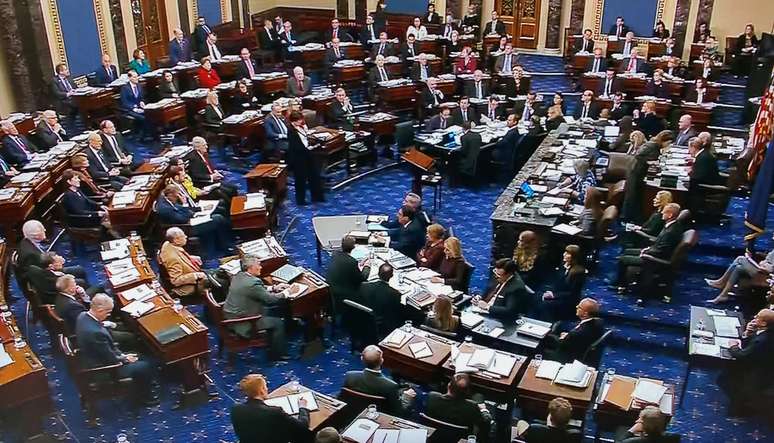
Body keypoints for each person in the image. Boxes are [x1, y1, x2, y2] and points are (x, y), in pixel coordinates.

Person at [75, 294, 156, 407]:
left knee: (139, 356)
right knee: (144, 365)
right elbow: (111, 360)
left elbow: (107, 350)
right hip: (103, 370)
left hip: (94, 357)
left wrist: (123, 355)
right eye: (108, 313)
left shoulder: (83, 315)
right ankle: (147, 399)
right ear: (100, 310)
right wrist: (124, 358)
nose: (108, 316)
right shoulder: (95, 333)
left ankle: (146, 384)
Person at [224, 256, 292, 360]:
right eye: (258, 265)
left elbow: (256, 289)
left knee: (272, 311)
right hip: (243, 323)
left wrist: (273, 288)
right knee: (278, 322)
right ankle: (277, 355)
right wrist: (287, 293)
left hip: (232, 316)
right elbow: (270, 300)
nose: (260, 267)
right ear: (250, 268)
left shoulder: (239, 275)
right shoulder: (252, 283)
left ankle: (278, 337)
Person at [616, 203, 684, 299]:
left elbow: (662, 250)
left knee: (622, 259)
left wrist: (646, 252)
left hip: (654, 259)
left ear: (670, 215)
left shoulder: (671, 231)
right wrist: (648, 248)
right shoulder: (672, 225)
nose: (662, 213)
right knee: (627, 251)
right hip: (653, 252)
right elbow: (660, 244)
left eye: (664, 212)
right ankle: (623, 281)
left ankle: (622, 285)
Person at [717, 309, 774, 416]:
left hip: (759, 372)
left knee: (726, 378)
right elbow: (750, 346)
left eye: (757, 317)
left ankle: (739, 409)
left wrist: (733, 346)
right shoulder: (766, 332)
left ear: (763, 323)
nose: (754, 318)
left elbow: (742, 356)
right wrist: (747, 333)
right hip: (759, 364)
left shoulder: (763, 339)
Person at [231, 373, 310, 443]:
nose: (267, 389)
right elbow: (302, 427)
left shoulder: (236, 409)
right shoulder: (274, 412)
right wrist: (302, 407)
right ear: (261, 390)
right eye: (265, 386)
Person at [156, 185, 232, 255]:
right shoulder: (165, 208)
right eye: (177, 196)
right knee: (218, 218)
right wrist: (185, 204)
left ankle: (224, 243)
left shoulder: (168, 200)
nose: (179, 197)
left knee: (217, 214)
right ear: (170, 195)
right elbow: (183, 219)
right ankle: (227, 245)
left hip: (191, 221)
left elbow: (183, 211)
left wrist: (198, 211)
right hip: (187, 228)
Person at [342, 345, 416, 414]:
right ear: (382, 361)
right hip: (379, 413)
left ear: (362, 359)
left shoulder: (350, 376)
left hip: (353, 411)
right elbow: (399, 410)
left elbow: (343, 397)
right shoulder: (390, 385)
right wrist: (407, 396)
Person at [17, 220, 86, 282]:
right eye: (42, 230)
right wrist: (55, 267)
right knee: (80, 278)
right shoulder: (30, 254)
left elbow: (41, 259)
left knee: (80, 269)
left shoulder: (26, 241)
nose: (44, 230)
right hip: (46, 279)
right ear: (36, 235)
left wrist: (54, 259)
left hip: (46, 270)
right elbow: (38, 273)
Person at [426, 373, 491, 437]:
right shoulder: (471, 407)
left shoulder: (432, 396)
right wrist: (483, 410)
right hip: (459, 437)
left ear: (448, 385)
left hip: (434, 434)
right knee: (479, 396)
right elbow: (485, 422)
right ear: (467, 391)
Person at [705, 245, 774, 304]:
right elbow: (768, 258)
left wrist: (763, 264)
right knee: (739, 264)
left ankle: (722, 286)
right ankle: (722, 290)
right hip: (760, 267)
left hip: (766, 275)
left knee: (740, 260)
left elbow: (769, 270)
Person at [544, 298, 604, 362]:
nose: (576, 307)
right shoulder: (599, 321)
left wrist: (562, 338)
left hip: (566, 357)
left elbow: (561, 345)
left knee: (540, 344)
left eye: (579, 307)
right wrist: (568, 336)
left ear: (585, 314)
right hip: (577, 345)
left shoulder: (577, 333)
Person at [158, 227, 209, 298]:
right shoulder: (173, 259)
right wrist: (195, 275)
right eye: (183, 235)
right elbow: (175, 280)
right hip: (193, 282)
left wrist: (189, 257)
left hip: (192, 270)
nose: (186, 236)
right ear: (176, 240)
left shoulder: (167, 244)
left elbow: (179, 254)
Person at [541, 245, 587, 321]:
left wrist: (553, 295)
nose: (564, 255)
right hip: (559, 293)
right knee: (538, 297)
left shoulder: (578, 272)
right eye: (565, 252)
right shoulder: (563, 265)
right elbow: (558, 282)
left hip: (569, 299)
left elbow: (572, 293)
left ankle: (552, 324)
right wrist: (551, 292)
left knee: (546, 304)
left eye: (568, 253)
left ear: (574, 257)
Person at [327, 235, 370, 308]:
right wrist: (367, 266)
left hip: (332, 290)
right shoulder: (352, 262)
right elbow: (362, 279)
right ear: (353, 247)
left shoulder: (335, 255)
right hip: (346, 294)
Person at [361, 263, 401, 334]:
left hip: (363, 319)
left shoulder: (364, 286)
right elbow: (395, 311)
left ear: (378, 273)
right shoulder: (395, 294)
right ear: (392, 276)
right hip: (382, 325)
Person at [616, 406, 680, 442]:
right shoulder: (674, 438)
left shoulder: (632, 441)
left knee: (621, 429)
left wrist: (631, 430)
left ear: (644, 426)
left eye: (640, 420)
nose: (637, 421)